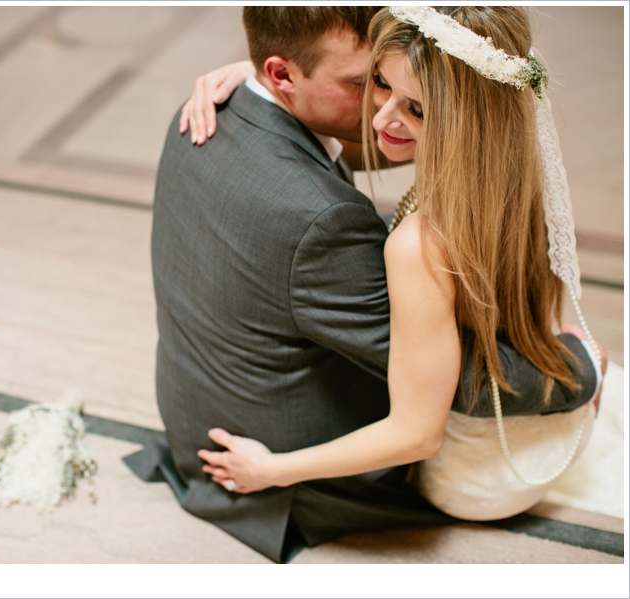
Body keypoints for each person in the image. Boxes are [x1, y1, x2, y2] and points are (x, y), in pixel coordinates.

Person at [124, 6, 600, 564]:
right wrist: (579, 367)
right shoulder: (323, 222)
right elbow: (447, 389)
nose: (378, 113)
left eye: (389, 82)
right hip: (280, 470)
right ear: (281, 75)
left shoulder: (204, 112)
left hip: (193, 415)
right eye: (366, 82)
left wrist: (246, 72)